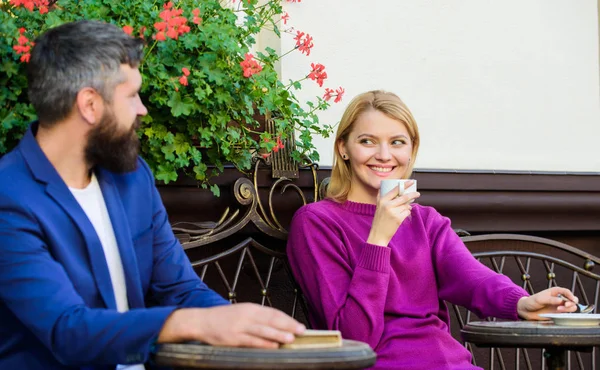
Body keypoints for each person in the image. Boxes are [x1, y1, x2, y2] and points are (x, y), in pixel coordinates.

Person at [0, 20, 305, 370]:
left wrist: (247, 323)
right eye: (131, 95)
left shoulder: (132, 178)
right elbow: (67, 330)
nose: (142, 108)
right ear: (89, 105)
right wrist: (195, 324)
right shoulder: (9, 197)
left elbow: (181, 289)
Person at [286, 90, 579, 370]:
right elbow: (354, 337)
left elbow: (473, 278)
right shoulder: (317, 222)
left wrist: (522, 302)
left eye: (397, 142)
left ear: (411, 149)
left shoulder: (425, 221)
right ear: (343, 148)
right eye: (367, 141)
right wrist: (378, 239)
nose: (384, 155)